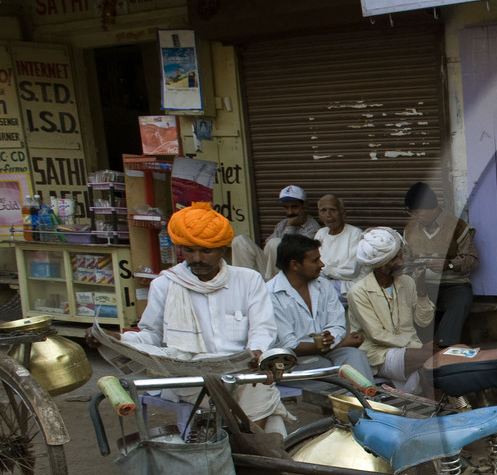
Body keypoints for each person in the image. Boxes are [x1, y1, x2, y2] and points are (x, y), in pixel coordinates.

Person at [118, 202, 288, 435]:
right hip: (190, 378)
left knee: (256, 388)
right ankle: (241, 451)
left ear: (222, 249)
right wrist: (118, 340)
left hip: (242, 374)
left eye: (206, 251)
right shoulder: (165, 284)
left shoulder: (249, 280)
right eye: (189, 250)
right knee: (227, 391)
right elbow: (152, 335)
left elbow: (263, 329)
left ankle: (250, 450)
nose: (197, 258)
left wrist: (257, 353)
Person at [267, 234, 372, 382]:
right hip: (294, 361)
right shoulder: (271, 294)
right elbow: (288, 345)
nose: (322, 264)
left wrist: (331, 342)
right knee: (330, 369)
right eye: (315, 260)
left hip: (329, 352)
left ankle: (367, 402)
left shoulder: (323, 285)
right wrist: (334, 345)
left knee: (355, 356)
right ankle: (355, 401)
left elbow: (337, 325)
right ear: (295, 265)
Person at [347, 227, 435, 385]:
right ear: (379, 263)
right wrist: (416, 347)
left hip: (410, 349)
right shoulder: (358, 292)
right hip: (379, 355)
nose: (401, 263)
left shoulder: (408, 283)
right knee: (437, 358)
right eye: (394, 259)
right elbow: (376, 335)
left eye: (401, 257)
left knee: (445, 356)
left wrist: (421, 291)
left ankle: (436, 408)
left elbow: (424, 321)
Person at [402, 182, 478, 348]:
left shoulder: (457, 226)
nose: (415, 216)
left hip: (453, 285)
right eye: (412, 212)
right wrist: (412, 269)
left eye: (418, 211)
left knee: (460, 300)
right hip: (421, 284)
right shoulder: (410, 229)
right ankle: (415, 346)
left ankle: (443, 346)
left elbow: (472, 259)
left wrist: (449, 265)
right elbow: (405, 259)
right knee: (405, 300)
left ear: (432, 207)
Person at [263, 185, 319, 274]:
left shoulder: (312, 228)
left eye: (294, 207)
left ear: (305, 205)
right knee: (241, 241)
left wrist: (290, 226)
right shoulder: (282, 223)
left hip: (293, 272)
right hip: (270, 268)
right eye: (286, 207)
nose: (290, 212)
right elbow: (268, 245)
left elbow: (290, 253)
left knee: (276, 243)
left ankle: (273, 285)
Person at [314, 194, 363, 292]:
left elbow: (351, 272)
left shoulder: (355, 233)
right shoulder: (321, 233)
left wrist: (325, 270)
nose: (328, 215)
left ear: (343, 213)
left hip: (346, 285)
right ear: (319, 215)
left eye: (333, 210)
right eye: (323, 210)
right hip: (323, 281)